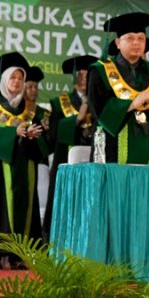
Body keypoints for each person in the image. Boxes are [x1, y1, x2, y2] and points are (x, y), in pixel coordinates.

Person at [0, 52, 48, 269]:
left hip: (25, 168)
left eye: (20, 79)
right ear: (4, 80)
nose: (16, 82)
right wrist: (14, 133)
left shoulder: (33, 110)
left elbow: (44, 145)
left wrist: (34, 136)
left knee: (26, 208)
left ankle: (20, 254)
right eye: (12, 78)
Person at [87, 12, 149, 164]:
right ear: (117, 42)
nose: (136, 43)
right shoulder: (100, 71)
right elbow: (98, 109)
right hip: (112, 151)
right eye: (130, 38)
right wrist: (132, 104)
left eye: (141, 38)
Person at [44, 55, 98, 237]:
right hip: (65, 159)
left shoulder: (99, 101)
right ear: (74, 77)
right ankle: (56, 239)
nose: (84, 79)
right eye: (80, 75)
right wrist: (77, 119)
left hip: (93, 161)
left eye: (88, 75)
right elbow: (53, 134)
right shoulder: (59, 103)